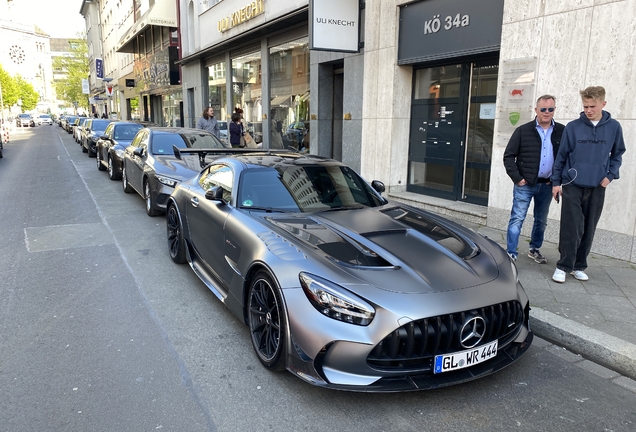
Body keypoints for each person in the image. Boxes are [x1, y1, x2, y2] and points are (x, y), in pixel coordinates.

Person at [550, 86, 626, 283]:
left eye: (592, 106)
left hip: (597, 185)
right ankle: (563, 265)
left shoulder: (614, 127)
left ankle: (579, 265)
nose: (588, 110)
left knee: (589, 226)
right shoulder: (573, 127)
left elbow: (617, 154)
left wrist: (610, 175)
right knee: (571, 226)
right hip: (572, 183)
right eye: (585, 106)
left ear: (603, 104)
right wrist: (556, 182)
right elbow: (562, 155)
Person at [503, 95, 565, 263]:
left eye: (550, 109)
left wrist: (557, 182)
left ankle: (534, 248)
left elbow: (565, 158)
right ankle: (511, 253)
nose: (546, 112)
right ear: (536, 110)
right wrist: (518, 178)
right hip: (525, 184)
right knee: (517, 218)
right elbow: (509, 156)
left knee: (541, 220)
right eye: (543, 109)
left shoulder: (562, 131)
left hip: (547, 185)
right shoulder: (523, 131)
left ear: (554, 110)